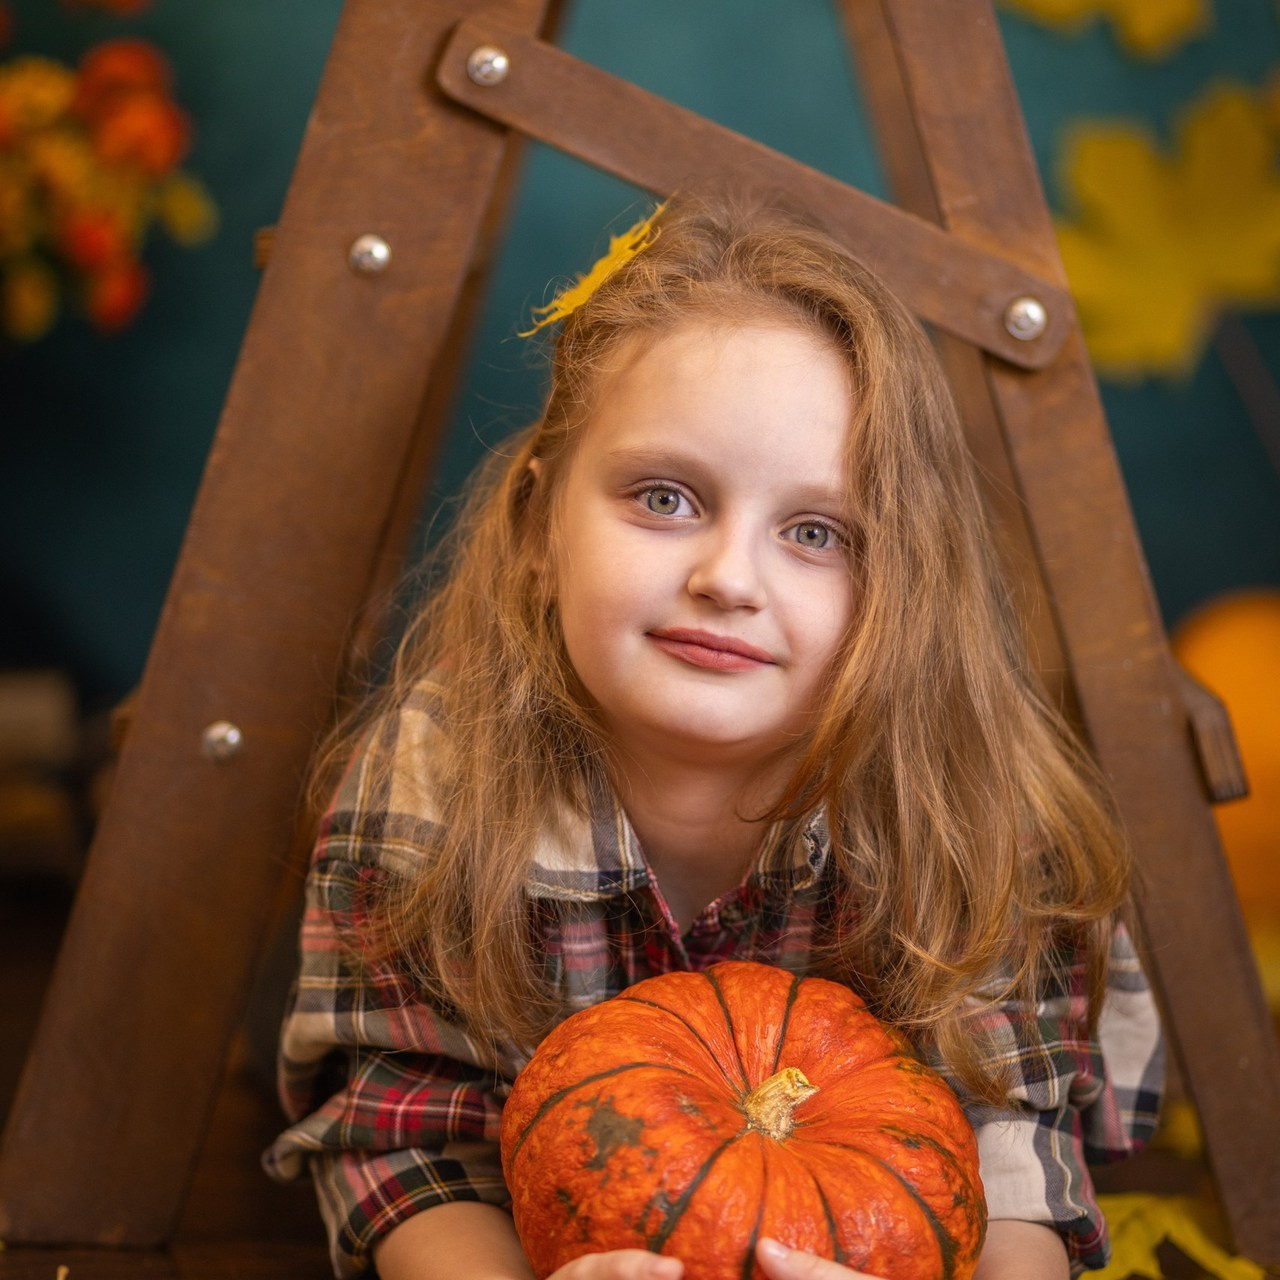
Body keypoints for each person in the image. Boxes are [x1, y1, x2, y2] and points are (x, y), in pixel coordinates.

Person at [264, 194, 1163, 1280]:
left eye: (815, 531)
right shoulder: (434, 784)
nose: (728, 578)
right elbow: (405, 1133)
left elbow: (1016, 1148)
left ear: (905, 581)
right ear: (538, 526)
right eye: (664, 498)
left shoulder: (969, 804)